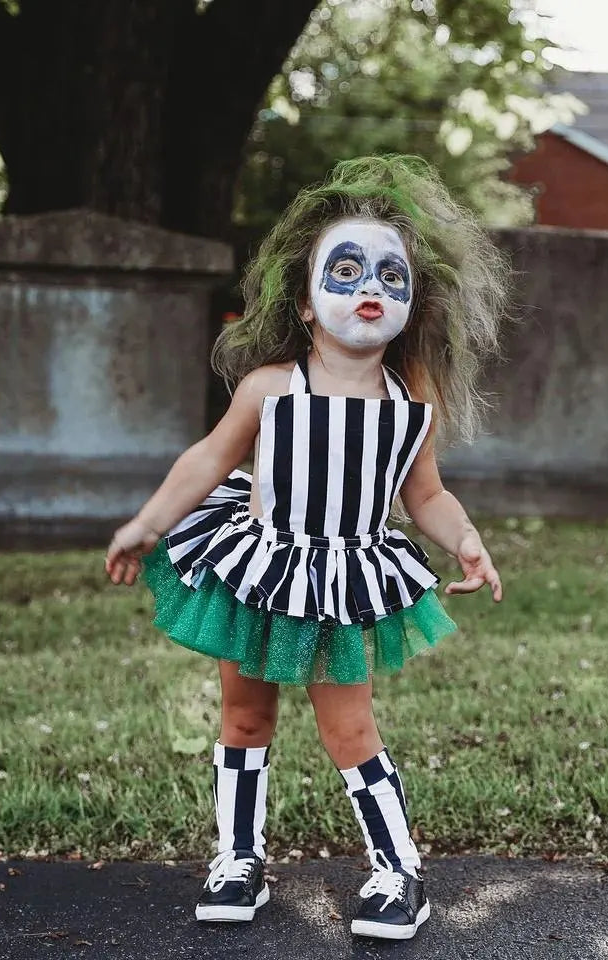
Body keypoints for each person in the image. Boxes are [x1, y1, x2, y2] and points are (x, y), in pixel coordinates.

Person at [104, 155, 507, 941]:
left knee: (349, 728)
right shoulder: (271, 386)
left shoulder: (408, 401)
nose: (371, 287)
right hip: (259, 567)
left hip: (343, 577)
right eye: (348, 268)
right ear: (305, 299)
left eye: (393, 277)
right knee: (245, 717)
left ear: (412, 303)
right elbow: (209, 460)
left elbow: (422, 493)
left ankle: (398, 870)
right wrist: (146, 522)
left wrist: (465, 540)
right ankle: (239, 858)